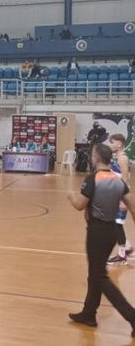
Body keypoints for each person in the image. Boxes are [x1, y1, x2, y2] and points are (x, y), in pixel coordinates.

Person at [67, 144, 135, 336]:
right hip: (112, 231)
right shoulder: (118, 180)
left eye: (92, 155)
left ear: (96, 157)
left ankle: (132, 316)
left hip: (97, 232)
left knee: (99, 276)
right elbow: (132, 207)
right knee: (95, 272)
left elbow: (80, 205)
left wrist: (71, 196)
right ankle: (89, 313)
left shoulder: (93, 179)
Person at [107, 134, 133, 266]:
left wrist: (122, 199)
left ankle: (122, 255)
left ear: (119, 144)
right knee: (114, 224)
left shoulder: (122, 158)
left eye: (112, 143)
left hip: (120, 196)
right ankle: (126, 247)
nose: (110, 145)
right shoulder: (116, 157)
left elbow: (125, 179)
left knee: (117, 224)